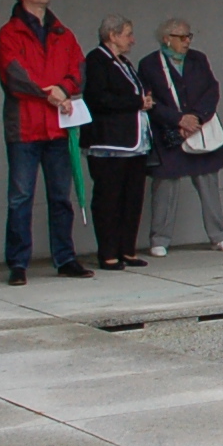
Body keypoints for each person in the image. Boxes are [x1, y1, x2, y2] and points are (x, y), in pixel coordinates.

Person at [0, 0, 91, 284]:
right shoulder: (9, 33)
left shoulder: (63, 32)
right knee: (20, 197)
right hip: (24, 128)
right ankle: (18, 263)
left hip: (58, 127)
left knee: (61, 197)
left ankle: (65, 258)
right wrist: (49, 93)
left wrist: (63, 88)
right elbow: (13, 75)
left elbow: (79, 69)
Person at [139, 17, 223, 257]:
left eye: (189, 36)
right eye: (181, 37)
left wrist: (197, 118)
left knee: (208, 183)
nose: (187, 41)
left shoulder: (198, 59)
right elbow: (149, 101)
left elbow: (212, 90)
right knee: (165, 186)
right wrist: (178, 120)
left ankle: (219, 236)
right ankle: (159, 239)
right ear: (166, 39)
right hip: (169, 132)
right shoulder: (149, 64)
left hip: (199, 129)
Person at [81, 16, 154, 270]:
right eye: (127, 34)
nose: (132, 40)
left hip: (133, 142)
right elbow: (98, 98)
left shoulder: (124, 62)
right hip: (109, 143)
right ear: (112, 35)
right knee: (109, 199)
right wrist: (137, 102)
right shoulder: (96, 61)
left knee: (132, 198)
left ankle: (127, 249)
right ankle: (108, 252)